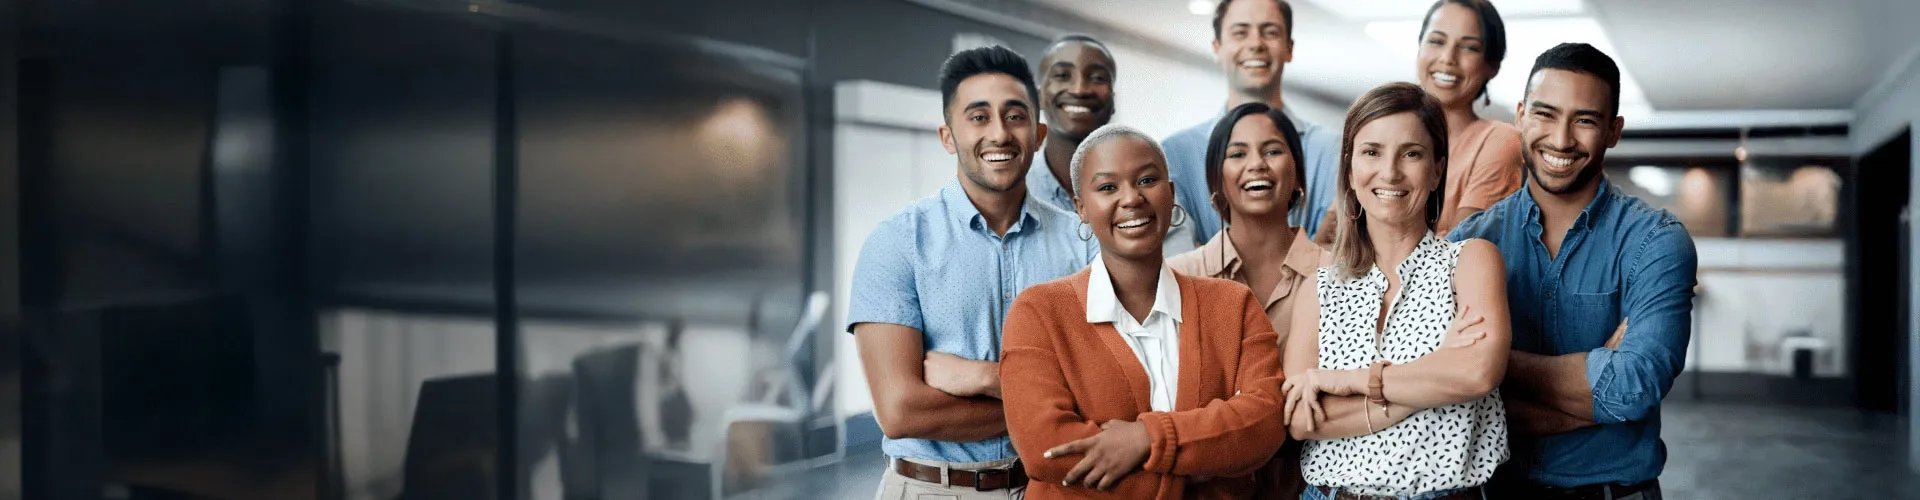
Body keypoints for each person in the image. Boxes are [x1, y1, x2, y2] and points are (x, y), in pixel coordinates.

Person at [1447, 43, 1697, 500]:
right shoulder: (1467, 243)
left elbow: (1634, 388)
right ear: (1520, 115)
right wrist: (1600, 386)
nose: (1561, 139)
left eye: (1584, 119)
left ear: (1613, 130)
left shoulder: (1655, 241)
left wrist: (1490, 360)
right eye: (1545, 114)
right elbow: (1449, 397)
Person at [847, 45, 1095, 500]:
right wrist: (1057, 404)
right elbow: (901, 411)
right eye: (979, 117)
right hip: (931, 490)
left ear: (1039, 133)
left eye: (1015, 116)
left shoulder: (1083, 243)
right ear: (948, 136)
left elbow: (1112, 388)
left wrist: (985, 378)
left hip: (1053, 490)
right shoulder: (897, 243)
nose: (999, 134)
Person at [1000, 124, 1289, 498]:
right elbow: (1046, 449)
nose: (1131, 198)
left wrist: (1146, 439)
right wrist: (1199, 466)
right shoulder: (1038, 312)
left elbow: (1263, 423)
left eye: (1147, 180)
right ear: (1081, 208)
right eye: (1107, 188)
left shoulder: (1234, 305)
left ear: (1170, 195)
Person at [1281, 82, 1510, 500]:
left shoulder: (1472, 261)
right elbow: (1301, 419)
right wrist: (1433, 379)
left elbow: (1477, 373)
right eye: (1372, 152)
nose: (1390, 172)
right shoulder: (1320, 287)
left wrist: (1349, 382)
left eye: (1411, 153)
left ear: (1438, 169)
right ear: (1350, 169)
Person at [1166, 102, 1321, 497]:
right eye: (1237, 154)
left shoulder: (1340, 275)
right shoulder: (1178, 276)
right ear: (1215, 180)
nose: (1257, 164)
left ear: (1298, 173)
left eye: (1272, 150)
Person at [1315, 0, 1524, 245]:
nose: (1448, 58)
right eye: (1436, 41)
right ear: (1419, 48)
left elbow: (1456, 249)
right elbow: (1328, 242)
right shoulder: (1384, 127)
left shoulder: (1499, 141)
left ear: (1493, 66)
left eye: (1469, 48)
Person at [1163, 0, 1342, 247]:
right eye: (1240, 32)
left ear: (1289, 48)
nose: (1256, 44)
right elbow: (1179, 265)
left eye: (1270, 32)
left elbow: (1335, 254)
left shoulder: (1330, 149)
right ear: (1217, 48)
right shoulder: (1173, 154)